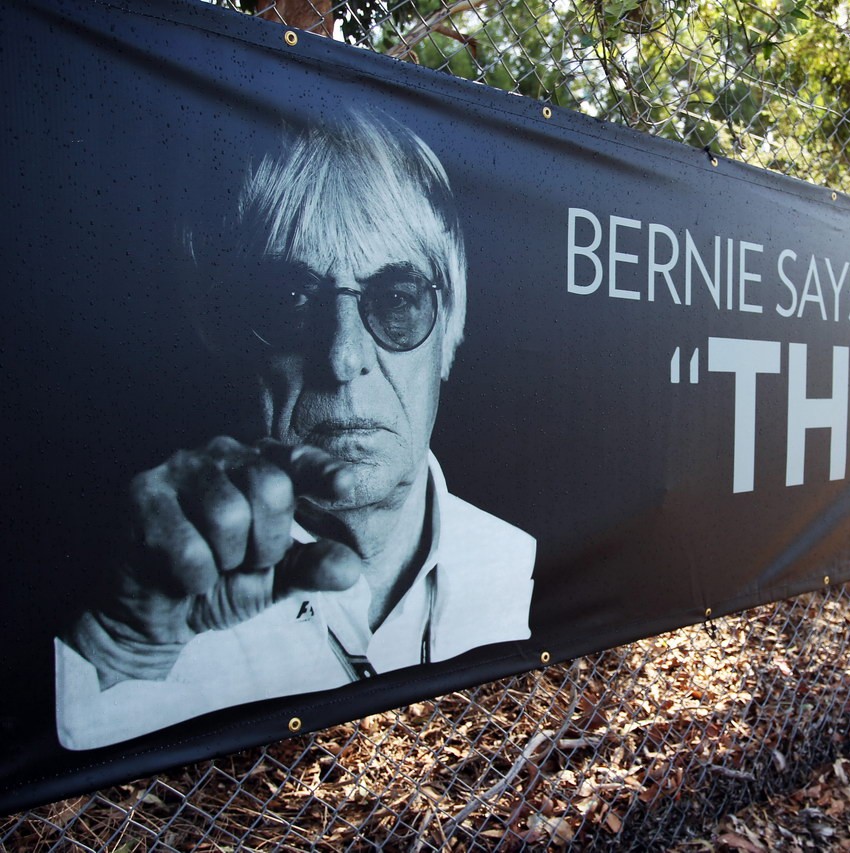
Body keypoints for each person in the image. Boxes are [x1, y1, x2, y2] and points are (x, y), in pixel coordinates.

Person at [54, 113, 536, 750]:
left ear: (447, 332)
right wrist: (121, 654)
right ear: (223, 334)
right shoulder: (160, 603)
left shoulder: (517, 562)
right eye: (289, 301)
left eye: (395, 298)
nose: (341, 359)